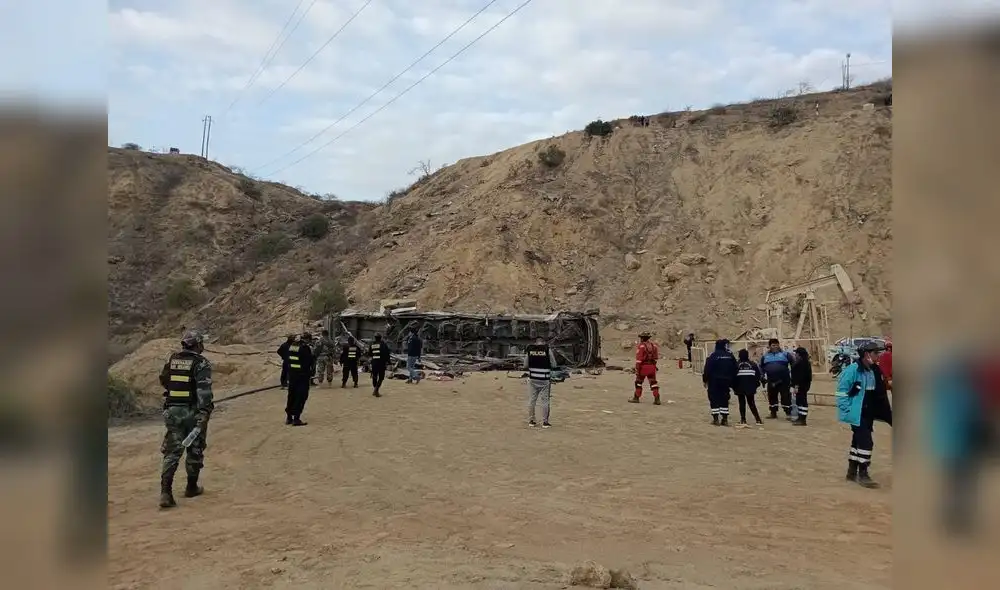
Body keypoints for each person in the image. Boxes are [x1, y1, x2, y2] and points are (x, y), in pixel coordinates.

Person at [158, 329, 214, 509]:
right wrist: (205, 412)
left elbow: (164, 380)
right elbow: (203, 391)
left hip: (173, 410)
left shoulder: (172, 359)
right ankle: (191, 487)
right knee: (195, 448)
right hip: (193, 411)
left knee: (172, 452)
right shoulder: (201, 363)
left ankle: (165, 493)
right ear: (197, 345)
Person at [836, 341, 893, 488]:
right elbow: (841, 393)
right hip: (856, 413)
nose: (878, 356)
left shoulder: (874, 370)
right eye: (875, 353)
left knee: (857, 441)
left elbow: (879, 394)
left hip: (869, 413)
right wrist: (847, 410)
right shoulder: (852, 371)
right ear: (867, 354)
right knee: (866, 442)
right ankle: (863, 473)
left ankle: (851, 471)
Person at [702, 339, 738, 426]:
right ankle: (725, 419)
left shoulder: (713, 356)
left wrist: (705, 380)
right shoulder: (730, 356)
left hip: (714, 381)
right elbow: (735, 368)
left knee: (714, 399)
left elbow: (707, 369)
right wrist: (732, 379)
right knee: (724, 399)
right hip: (726, 381)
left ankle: (716, 419)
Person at [525, 337, 558, 428]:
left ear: (536, 343)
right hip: (544, 379)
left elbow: (525, 364)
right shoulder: (547, 350)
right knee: (545, 401)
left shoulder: (530, 350)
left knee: (532, 400)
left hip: (533, 378)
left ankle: (531, 421)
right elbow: (554, 364)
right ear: (543, 343)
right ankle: (545, 422)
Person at [285, 332, 315, 426]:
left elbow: (288, 359)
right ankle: (296, 418)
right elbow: (308, 362)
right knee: (301, 396)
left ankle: (289, 417)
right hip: (302, 376)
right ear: (307, 339)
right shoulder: (305, 348)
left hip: (292, 375)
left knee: (291, 395)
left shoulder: (293, 346)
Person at [760, 338, 795, 419]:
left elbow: (794, 364)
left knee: (785, 396)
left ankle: (788, 413)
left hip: (784, 380)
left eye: (777, 345)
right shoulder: (765, 356)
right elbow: (761, 367)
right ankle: (773, 413)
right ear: (769, 346)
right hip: (771, 380)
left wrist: (794, 375)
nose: (775, 346)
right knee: (772, 396)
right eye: (773, 345)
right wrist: (762, 376)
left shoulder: (785, 354)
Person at [734, 349, 764, 427]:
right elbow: (757, 376)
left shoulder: (736, 365)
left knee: (742, 403)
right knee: (751, 403)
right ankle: (758, 419)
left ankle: (743, 420)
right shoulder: (753, 364)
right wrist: (755, 385)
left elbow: (733, 377)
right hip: (750, 387)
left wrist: (734, 386)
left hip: (739, 387)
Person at [629, 331, 661, 404]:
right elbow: (656, 358)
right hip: (652, 367)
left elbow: (639, 360)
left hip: (643, 367)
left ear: (642, 338)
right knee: (653, 383)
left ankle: (636, 397)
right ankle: (657, 398)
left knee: (638, 382)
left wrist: (637, 369)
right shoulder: (654, 346)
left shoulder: (641, 346)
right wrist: (654, 366)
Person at [790, 346, 813, 426]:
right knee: (799, 401)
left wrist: (796, 386)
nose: (795, 355)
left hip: (801, 386)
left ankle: (802, 419)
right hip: (803, 385)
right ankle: (800, 417)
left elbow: (800, 376)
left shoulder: (802, 363)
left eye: (796, 353)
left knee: (802, 402)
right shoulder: (804, 362)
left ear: (799, 354)